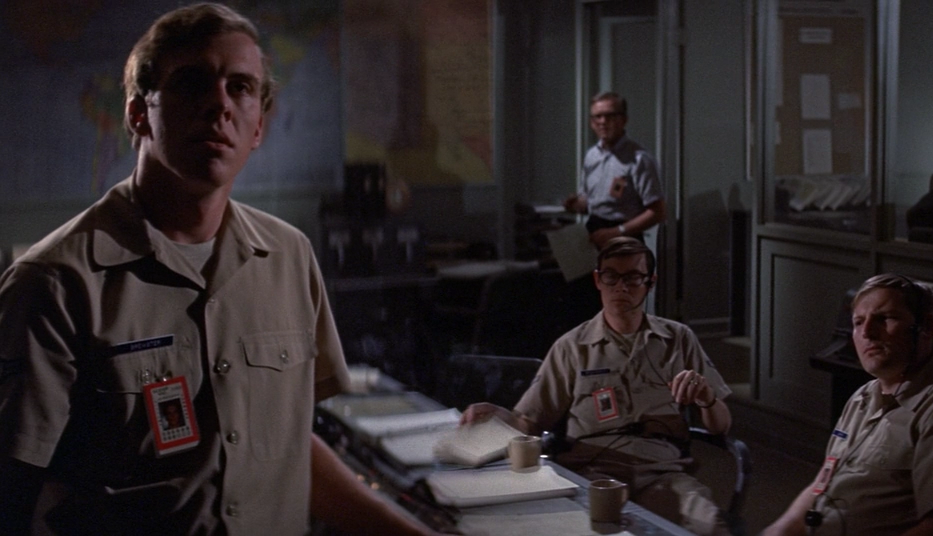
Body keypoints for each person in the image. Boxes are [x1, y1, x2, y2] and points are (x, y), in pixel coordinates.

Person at [0, 4, 437, 535]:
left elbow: (288, 449)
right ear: (139, 113)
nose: (219, 104)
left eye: (241, 88)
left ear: (258, 127)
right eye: (191, 83)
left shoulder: (288, 256)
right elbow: (13, 488)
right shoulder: (56, 282)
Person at [460, 237, 732, 536]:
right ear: (597, 280)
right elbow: (530, 423)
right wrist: (497, 415)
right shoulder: (572, 347)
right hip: (591, 472)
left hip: (663, 472)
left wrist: (706, 398)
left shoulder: (678, 338)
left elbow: (720, 426)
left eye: (633, 277)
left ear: (650, 283)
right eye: (611, 276)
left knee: (711, 527)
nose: (621, 287)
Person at [763, 273, 933, 536]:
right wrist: (780, 530)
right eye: (858, 322)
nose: (867, 332)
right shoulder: (862, 398)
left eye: (884, 319)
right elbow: (822, 482)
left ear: (926, 327)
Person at [563, 92, 667, 249]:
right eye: (597, 117)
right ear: (591, 122)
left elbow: (658, 212)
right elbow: (590, 200)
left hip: (625, 238)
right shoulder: (592, 155)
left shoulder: (639, 159)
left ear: (624, 119)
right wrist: (575, 204)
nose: (603, 122)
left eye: (610, 116)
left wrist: (617, 232)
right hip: (594, 233)